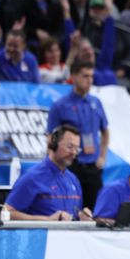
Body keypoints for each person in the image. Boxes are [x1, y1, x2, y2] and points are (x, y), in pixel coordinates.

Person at [47, 60, 109, 209]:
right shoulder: (60, 105)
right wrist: (52, 161)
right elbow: (51, 136)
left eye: (91, 76)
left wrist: (102, 156)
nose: (89, 80)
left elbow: (105, 131)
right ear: (73, 77)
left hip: (93, 166)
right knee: (69, 207)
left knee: (94, 209)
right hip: (71, 165)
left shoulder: (96, 102)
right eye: (85, 76)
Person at [4, 124, 90, 221]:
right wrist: (46, 220)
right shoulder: (32, 178)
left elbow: (73, 216)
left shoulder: (73, 180)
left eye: (77, 148)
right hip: (41, 235)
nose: (74, 152)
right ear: (53, 144)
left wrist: (82, 216)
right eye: (70, 147)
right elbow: (7, 212)